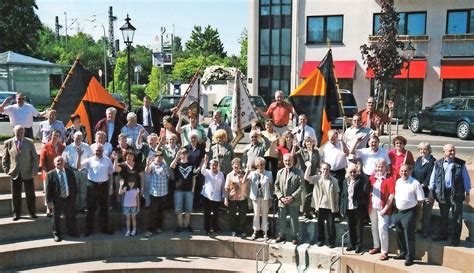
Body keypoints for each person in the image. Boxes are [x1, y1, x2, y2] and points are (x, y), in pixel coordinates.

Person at [428, 144, 471, 246]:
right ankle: (443, 235)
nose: (452, 152)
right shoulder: (438, 163)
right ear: (444, 152)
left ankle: (455, 240)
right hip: (442, 193)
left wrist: (467, 193)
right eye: (450, 151)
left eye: (453, 150)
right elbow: (433, 178)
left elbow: (466, 180)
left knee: (457, 217)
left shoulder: (460, 164)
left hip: (456, 194)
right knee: (444, 215)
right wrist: (431, 191)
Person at [2, 125, 39, 221]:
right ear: (14, 132)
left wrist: (35, 170)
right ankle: (16, 213)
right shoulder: (8, 142)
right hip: (15, 173)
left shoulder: (29, 142)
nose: (20, 133)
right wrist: (7, 170)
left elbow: (35, 157)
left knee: (30, 194)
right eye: (18, 132)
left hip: (28, 172)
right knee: (16, 195)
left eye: (22, 132)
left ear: (24, 132)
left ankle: (32, 212)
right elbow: (5, 159)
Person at [79, 143, 115, 236]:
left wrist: (111, 186)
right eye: (97, 150)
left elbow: (110, 173)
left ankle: (104, 228)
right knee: (91, 208)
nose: (99, 152)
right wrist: (79, 156)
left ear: (103, 151)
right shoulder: (89, 160)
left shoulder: (107, 160)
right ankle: (89, 230)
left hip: (104, 186)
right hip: (92, 186)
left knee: (104, 208)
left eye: (100, 150)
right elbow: (78, 167)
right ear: (94, 151)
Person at [393, 164, 424, 266]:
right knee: (399, 233)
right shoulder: (398, 181)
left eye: (406, 171)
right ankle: (403, 252)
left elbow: (420, 200)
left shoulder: (415, 183)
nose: (403, 173)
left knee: (409, 236)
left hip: (409, 212)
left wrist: (413, 211)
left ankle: (410, 257)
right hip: (398, 212)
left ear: (410, 171)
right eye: (401, 171)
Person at [304, 162, 339, 248]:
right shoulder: (317, 178)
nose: (325, 171)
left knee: (331, 225)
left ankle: (332, 241)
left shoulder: (334, 180)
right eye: (324, 169)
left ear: (329, 170)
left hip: (330, 206)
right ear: (320, 169)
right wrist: (309, 166)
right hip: (320, 205)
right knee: (320, 224)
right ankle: (321, 240)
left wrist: (337, 205)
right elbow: (306, 177)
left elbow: (337, 193)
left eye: (327, 169)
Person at [45, 156, 79, 242]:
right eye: (58, 161)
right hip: (57, 200)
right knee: (56, 218)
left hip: (68, 198)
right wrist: (49, 201)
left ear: (64, 163)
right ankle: (56, 234)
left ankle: (72, 232)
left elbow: (74, 185)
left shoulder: (70, 172)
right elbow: (48, 189)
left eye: (61, 161)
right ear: (54, 163)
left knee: (70, 216)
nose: (60, 162)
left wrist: (74, 197)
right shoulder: (50, 174)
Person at [368, 158, 395, 261]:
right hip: (372, 206)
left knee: (382, 228)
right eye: (378, 166)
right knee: (374, 227)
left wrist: (385, 209)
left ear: (385, 167)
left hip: (383, 208)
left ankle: (384, 251)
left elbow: (391, 195)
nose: (380, 168)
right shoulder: (372, 178)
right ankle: (376, 246)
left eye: (382, 166)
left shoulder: (390, 178)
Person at [274, 153, 303, 245]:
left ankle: (295, 236)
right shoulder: (280, 172)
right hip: (282, 201)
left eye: (289, 160)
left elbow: (301, 187)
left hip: (293, 201)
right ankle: (282, 235)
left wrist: (293, 197)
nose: (287, 162)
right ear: (283, 161)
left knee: (294, 219)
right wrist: (280, 197)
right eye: (286, 160)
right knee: (281, 218)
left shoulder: (299, 172)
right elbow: (276, 185)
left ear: (293, 161)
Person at [340, 164, 369, 253]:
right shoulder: (345, 182)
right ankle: (351, 244)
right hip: (349, 207)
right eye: (351, 172)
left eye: (354, 172)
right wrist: (342, 208)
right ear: (348, 173)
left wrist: (360, 171)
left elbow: (366, 182)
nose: (352, 174)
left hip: (358, 207)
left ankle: (358, 245)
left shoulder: (361, 181)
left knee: (359, 228)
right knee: (350, 227)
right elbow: (343, 196)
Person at [63, 131, 93, 213]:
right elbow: (64, 161)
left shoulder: (86, 147)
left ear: (82, 138)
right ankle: (75, 207)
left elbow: (91, 158)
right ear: (73, 138)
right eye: (76, 138)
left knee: (83, 190)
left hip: (83, 171)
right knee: (74, 190)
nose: (78, 139)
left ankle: (82, 207)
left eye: (80, 138)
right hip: (73, 172)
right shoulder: (68, 148)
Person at [243, 157, 273, 240]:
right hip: (255, 197)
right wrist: (247, 172)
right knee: (256, 214)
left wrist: (270, 198)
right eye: (260, 165)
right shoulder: (253, 173)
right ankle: (255, 231)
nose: (262, 166)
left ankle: (265, 232)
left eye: (264, 164)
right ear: (257, 165)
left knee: (265, 215)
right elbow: (244, 182)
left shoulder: (269, 173)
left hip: (265, 197)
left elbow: (271, 186)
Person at [170, 148, 197, 232]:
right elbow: (171, 166)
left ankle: (187, 225)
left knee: (188, 209)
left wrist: (193, 188)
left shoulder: (192, 164)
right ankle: (180, 225)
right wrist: (176, 157)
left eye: (185, 153)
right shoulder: (177, 164)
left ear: (188, 154)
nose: (184, 154)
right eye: (182, 153)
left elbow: (194, 177)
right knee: (179, 209)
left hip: (189, 190)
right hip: (179, 189)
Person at [39, 130, 65, 217]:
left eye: (57, 136)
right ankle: (48, 208)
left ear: (59, 137)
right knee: (48, 191)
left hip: (59, 172)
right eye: (54, 135)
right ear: (51, 136)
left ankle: (59, 207)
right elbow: (42, 162)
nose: (55, 137)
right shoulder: (46, 146)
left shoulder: (62, 147)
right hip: (48, 172)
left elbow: (64, 160)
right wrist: (47, 174)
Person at [412, 142, 435, 237]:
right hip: (417, 190)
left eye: (425, 149)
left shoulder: (433, 161)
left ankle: (425, 232)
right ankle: (418, 228)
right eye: (421, 149)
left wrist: (422, 185)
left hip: (426, 191)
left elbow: (430, 176)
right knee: (417, 212)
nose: (422, 151)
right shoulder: (418, 160)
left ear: (429, 150)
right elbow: (413, 173)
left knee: (426, 213)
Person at [144, 150, 170, 238]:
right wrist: (147, 164)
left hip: (163, 192)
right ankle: (150, 229)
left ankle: (159, 227)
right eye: (157, 157)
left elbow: (168, 176)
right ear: (155, 158)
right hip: (154, 192)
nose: (159, 159)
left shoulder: (165, 166)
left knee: (160, 211)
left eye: (160, 157)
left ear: (162, 158)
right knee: (152, 212)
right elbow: (147, 172)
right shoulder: (152, 165)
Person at [200, 155, 225, 235]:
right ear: (210, 166)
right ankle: (207, 229)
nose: (214, 166)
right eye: (212, 165)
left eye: (215, 165)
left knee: (216, 214)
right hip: (207, 197)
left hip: (217, 197)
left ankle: (215, 228)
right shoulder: (207, 172)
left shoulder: (221, 174)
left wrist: (223, 196)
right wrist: (205, 162)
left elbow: (223, 186)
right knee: (207, 214)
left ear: (218, 166)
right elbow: (202, 170)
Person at [296, 136, 320, 220]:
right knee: (305, 194)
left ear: (313, 143)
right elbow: (294, 156)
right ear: (305, 143)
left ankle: (312, 211)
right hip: (304, 175)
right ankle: (305, 212)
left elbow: (318, 165)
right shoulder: (302, 151)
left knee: (313, 194)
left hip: (313, 175)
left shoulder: (316, 152)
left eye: (310, 141)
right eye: (307, 142)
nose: (309, 143)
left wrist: (316, 176)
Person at [224, 158, 249, 238]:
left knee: (243, 216)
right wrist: (225, 199)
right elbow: (226, 188)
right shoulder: (229, 175)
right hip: (233, 198)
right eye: (235, 164)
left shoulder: (244, 174)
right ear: (232, 166)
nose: (236, 166)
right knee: (232, 216)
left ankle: (242, 231)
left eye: (238, 164)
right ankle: (233, 230)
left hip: (242, 198)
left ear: (240, 166)